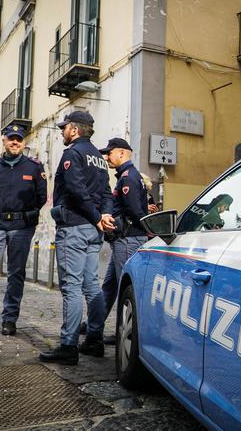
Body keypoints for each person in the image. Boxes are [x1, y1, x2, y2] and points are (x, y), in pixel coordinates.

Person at [39, 111, 114, 365]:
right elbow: (106, 193)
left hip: (74, 227)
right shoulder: (99, 159)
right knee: (92, 285)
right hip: (94, 231)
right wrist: (103, 216)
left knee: (71, 287)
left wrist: (95, 216)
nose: (61, 132)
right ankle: (94, 340)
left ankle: (69, 346)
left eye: (64, 128)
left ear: (74, 129)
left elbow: (76, 189)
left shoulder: (73, 153)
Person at [0, 124, 47, 337]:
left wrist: (29, 215)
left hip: (21, 228)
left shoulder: (34, 167)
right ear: (4, 140)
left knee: (16, 274)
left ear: (23, 142)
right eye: (11, 138)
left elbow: (41, 197)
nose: (15, 142)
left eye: (19, 139)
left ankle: (9, 319)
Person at [98, 138, 149, 344]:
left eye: (109, 153)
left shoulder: (128, 178)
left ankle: (126, 334)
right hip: (123, 240)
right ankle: (95, 326)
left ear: (121, 153)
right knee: (110, 287)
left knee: (125, 289)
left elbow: (135, 212)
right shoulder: (126, 176)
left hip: (127, 239)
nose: (107, 157)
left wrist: (148, 231)